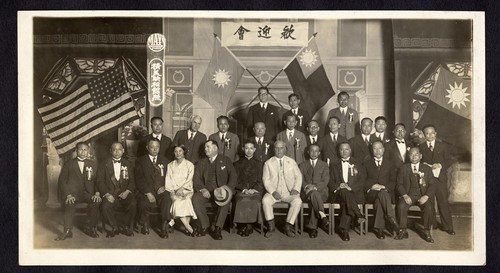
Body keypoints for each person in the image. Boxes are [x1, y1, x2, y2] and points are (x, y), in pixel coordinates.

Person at [192, 140, 237, 240]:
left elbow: (233, 176)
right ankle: (205, 225)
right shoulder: (201, 162)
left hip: (221, 192)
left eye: (208, 147)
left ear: (215, 148)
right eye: (205, 147)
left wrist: (226, 190)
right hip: (206, 192)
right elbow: (196, 179)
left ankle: (217, 228)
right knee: (195, 199)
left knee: (226, 200)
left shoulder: (225, 160)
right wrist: (203, 189)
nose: (205, 149)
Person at [55, 142, 100, 241]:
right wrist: (68, 195)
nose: (83, 152)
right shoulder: (69, 164)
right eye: (80, 149)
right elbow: (62, 181)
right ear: (76, 151)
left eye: (85, 150)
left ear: (88, 151)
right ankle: (67, 231)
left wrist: (97, 193)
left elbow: (98, 180)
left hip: (88, 193)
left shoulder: (93, 164)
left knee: (96, 202)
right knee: (69, 204)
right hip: (73, 194)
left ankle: (91, 227)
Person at [419, 124, 455, 235]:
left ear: (435, 134)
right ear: (424, 135)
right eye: (427, 133)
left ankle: (448, 226)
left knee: (443, 202)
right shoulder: (421, 147)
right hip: (428, 179)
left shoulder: (443, 146)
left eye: (431, 133)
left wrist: (440, 164)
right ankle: (432, 224)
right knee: (429, 202)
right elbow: (418, 162)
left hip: (440, 178)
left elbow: (449, 160)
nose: (429, 135)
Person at [262, 140, 303, 238]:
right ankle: (271, 227)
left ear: (285, 149)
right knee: (265, 200)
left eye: (281, 148)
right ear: (273, 149)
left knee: (297, 201)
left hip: (288, 192)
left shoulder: (291, 162)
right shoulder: (268, 163)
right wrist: (272, 191)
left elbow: (299, 177)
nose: (279, 150)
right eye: (276, 148)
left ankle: (288, 226)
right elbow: (266, 180)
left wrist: (296, 189)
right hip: (274, 193)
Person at [395, 147, 436, 243]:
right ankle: (403, 230)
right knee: (401, 206)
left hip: (423, 195)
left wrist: (426, 196)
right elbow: (399, 184)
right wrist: (405, 195)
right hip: (408, 195)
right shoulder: (403, 168)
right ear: (408, 157)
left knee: (429, 208)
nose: (414, 156)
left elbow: (432, 185)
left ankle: (426, 231)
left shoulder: (427, 169)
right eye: (411, 154)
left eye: (416, 154)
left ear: (420, 156)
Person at [360, 140, 399, 239]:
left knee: (380, 199)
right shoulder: (366, 163)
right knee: (380, 196)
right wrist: (372, 186)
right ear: (372, 150)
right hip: (371, 193)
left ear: (383, 150)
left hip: (385, 192)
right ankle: (392, 219)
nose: (377, 151)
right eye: (375, 148)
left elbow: (393, 181)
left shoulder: (390, 164)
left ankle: (380, 230)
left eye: (380, 148)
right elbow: (362, 180)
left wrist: (384, 187)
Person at [97, 142, 137, 237]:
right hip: (111, 193)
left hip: (125, 193)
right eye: (114, 149)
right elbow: (100, 181)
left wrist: (127, 191)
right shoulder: (104, 164)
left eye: (119, 149)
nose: (117, 152)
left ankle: (127, 227)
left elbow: (132, 181)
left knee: (133, 204)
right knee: (105, 206)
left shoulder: (128, 164)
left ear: (123, 151)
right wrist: (107, 194)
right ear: (110, 151)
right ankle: (114, 226)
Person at [135, 138, 172, 238]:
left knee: (167, 199)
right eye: (152, 147)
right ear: (147, 148)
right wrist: (147, 192)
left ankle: (164, 226)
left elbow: (170, 176)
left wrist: (165, 186)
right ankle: (145, 224)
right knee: (142, 203)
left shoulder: (165, 160)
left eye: (157, 147)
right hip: (146, 191)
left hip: (161, 190)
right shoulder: (140, 161)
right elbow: (139, 179)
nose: (155, 149)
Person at [330, 142, 366, 241]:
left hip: (354, 193)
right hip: (339, 193)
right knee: (344, 192)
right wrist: (338, 186)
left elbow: (362, 180)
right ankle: (358, 214)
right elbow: (330, 181)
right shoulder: (334, 164)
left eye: (346, 149)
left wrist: (351, 187)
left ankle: (344, 230)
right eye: (341, 149)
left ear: (350, 150)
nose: (344, 151)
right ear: (338, 151)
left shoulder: (357, 163)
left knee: (347, 200)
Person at [233, 140, 264, 237]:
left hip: (255, 191)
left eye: (251, 148)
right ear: (243, 149)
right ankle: (242, 225)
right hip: (241, 190)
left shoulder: (260, 164)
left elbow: (261, 180)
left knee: (253, 201)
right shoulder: (236, 164)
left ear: (254, 150)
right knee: (241, 200)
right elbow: (235, 180)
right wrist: (244, 190)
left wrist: (253, 190)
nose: (249, 151)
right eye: (246, 148)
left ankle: (249, 226)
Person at [298, 144, 330, 238]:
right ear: (308, 152)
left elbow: (325, 181)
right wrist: (307, 186)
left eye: (316, 151)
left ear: (319, 153)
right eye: (312, 151)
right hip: (306, 192)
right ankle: (322, 215)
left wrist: (315, 187)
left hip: (321, 192)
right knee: (313, 197)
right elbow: (300, 179)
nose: (314, 153)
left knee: (314, 198)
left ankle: (313, 228)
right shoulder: (302, 165)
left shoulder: (324, 165)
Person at [165, 145, 197, 236]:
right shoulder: (170, 165)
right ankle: (189, 228)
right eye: (176, 151)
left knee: (187, 201)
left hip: (186, 189)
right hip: (174, 190)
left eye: (180, 151)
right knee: (177, 202)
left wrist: (182, 189)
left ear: (184, 152)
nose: (178, 153)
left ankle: (186, 227)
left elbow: (189, 179)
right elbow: (169, 179)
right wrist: (174, 190)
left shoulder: (190, 165)